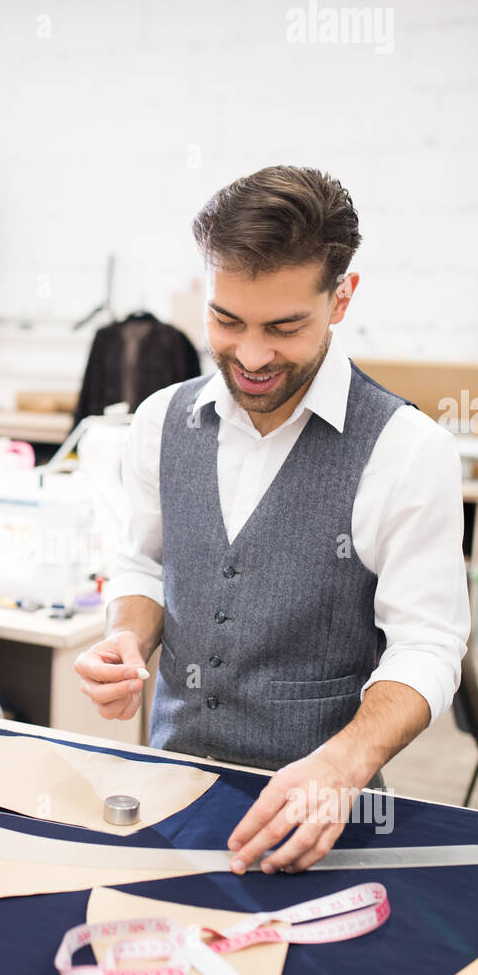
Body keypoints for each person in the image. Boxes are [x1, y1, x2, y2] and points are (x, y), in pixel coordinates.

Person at [74, 166, 470, 874]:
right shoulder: (161, 420)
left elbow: (429, 644)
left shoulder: (409, 452)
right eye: (227, 321)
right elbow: (144, 561)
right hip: (170, 797)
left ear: (341, 297)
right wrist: (125, 639)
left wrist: (345, 763)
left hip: (323, 828)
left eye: (285, 327)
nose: (252, 356)